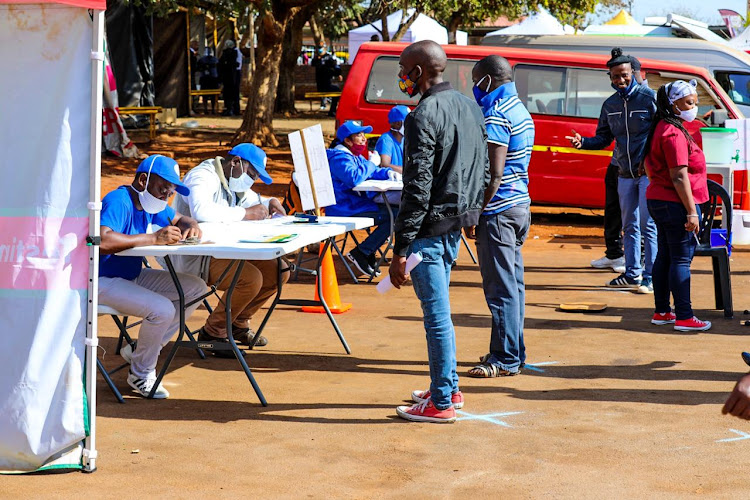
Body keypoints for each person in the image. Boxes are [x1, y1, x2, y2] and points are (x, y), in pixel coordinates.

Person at [391, 41, 489, 423]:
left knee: (436, 315)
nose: (401, 76)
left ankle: (442, 401)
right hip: (454, 227)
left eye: (403, 69)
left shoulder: (421, 115)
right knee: (441, 312)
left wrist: (400, 249)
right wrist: (471, 216)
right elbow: (483, 171)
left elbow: (416, 188)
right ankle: (447, 385)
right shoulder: (469, 106)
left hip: (429, 231)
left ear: (418, 71)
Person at [99, 155, 207, 399]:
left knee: (196, 288)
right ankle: (141, 373)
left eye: (170, 191)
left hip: (130, 274)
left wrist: (192, 224)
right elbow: (103, 239)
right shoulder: (120, 200)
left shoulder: (151, 203)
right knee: (162, 309)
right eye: (162, 188)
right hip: (101, 279)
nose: (166, 195)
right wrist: (153, 238)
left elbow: (180, 218)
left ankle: (141, 349)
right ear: (143, 179)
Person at [172, 144, 288, 354]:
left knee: (279, 270)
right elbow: (201, 211)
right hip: (195, 255)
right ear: (235, 162)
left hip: (222, 249)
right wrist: (245, 213)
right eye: (251, 174)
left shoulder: (233, 179)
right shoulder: (202, 176)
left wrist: (270, 202)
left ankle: (237, 323)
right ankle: (214, 331)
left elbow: (254, 199)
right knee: (251, 279)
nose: (251, 181)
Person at [566, 48, 657, 293]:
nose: (621, 80)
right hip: (624, 175)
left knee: (648, 226)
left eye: (624, 75)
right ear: (610, 78)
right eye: (615, 76)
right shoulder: (610, 104)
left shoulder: (650, 99)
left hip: (648, 175)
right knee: (629, 226)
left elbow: (662, 135)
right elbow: (603, 138)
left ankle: (650, 277)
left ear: (633, 73)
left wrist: (651, 162)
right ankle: (632, 274)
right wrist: (583, 143)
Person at [466, 55, 534, 378]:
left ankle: (504, 358)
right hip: (519, 207)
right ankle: (511, 351)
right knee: (514, 285)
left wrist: (474, 212)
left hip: (498, 212)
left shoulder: (497, 115)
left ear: (489, 81)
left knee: (500, 288)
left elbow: (492, 176)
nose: (475, 89)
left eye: (477, 82)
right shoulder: (521, 111)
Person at [644, 79, 711, 332]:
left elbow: (652, 167)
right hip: (674, 205)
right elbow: (679, 175)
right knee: (681, 259)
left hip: (661, 201)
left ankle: (662, 311)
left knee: (666, 255)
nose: (694, 107)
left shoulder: (664, 126)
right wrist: (692, 210)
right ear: (673, 105)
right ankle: (684, 316)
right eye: (689, 102)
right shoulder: (672, 132)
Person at [326, 120, 399, 276]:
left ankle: (367, 251)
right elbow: (354, 177)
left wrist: (387, 173)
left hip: (357, 205)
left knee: (397, 211)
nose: (364, 139)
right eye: (359, 135)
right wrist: (373, 164)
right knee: (396, 215)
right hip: (345, 209)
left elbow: (369, 171)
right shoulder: (339, 157)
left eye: (364, 135)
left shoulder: (353, 155)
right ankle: (363, 252)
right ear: (347, 140)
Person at [374, 105, 409, 174]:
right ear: (398, 124)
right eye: (408, 122)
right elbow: (384, 165)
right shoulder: (386, 140)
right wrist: (408, 172)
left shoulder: (405, 139)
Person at [312, 45, 342, 117]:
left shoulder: (324, 63)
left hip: (323, 85)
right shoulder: (322, 65)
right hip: (324, 86)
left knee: (336, 90)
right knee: (337, 90)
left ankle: (332, 110)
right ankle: (332, 111)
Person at [219, 39, 241, 116]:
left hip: (233, 75)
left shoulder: (235, 52)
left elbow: (236, 64)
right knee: (229, 93)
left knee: (232, 93)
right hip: (230, 76)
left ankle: (233, 109)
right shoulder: (228, 53)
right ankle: (230, 109)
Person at [197, 47, 219, 115]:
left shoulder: (202, 60)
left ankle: (207, 109)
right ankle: (212, 109)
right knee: (212, 95)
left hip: (206, 79)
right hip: (212, 78)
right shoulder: (215, 60)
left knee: (206, 95)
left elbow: (198, 68)